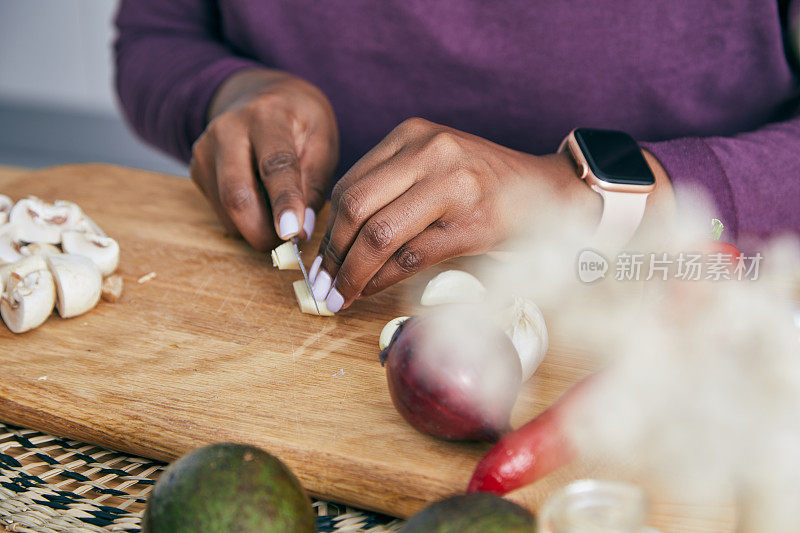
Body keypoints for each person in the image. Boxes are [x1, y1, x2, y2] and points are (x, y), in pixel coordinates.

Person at [115, 1, 800, 313]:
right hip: (336, 322)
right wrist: (233, 91)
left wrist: (583, 194)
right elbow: (158, 32)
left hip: (692, 314)